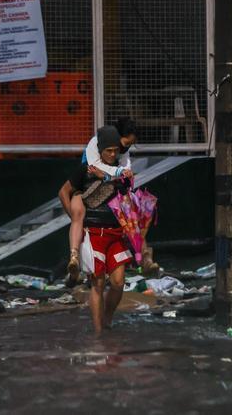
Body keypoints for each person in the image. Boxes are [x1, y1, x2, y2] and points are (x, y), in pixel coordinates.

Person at [65, 118, 159, 286]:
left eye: (127, 146)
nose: (120, 151)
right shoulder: (95, 150)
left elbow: (124, 172)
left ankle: (145, 257)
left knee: (132, 216)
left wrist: (124, 177)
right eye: (123, 144)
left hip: (108, 195)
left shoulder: (121, 154)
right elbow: (94, 173)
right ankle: (74, 260)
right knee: (78, 217)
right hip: (89, 191)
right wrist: (72, 216)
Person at [58, 126, 133, 334]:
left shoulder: (120, 171)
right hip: (94, 235)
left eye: (115, 151)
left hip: (116, 233)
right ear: (99, 150)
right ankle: (99, 333)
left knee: (118, 283)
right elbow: (64, 192)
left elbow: (126, 196)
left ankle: (107, 319)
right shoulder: (85, 169)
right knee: (98, 284)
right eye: (108, 150)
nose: (112, 154)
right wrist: (74, 218)